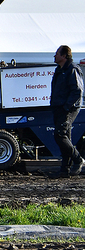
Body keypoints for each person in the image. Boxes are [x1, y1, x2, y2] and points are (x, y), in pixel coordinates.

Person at [50, 45, 85, 176]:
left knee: (60, 135)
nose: (54, 56)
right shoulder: (59, 70)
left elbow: (77, 91)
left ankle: (78, 159)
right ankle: (65, 169)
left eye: (57, 54)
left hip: (67, 108)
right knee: (66, 137)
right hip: (59, 107)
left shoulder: (72, 70)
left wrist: (67, 106)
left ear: (64, 56)